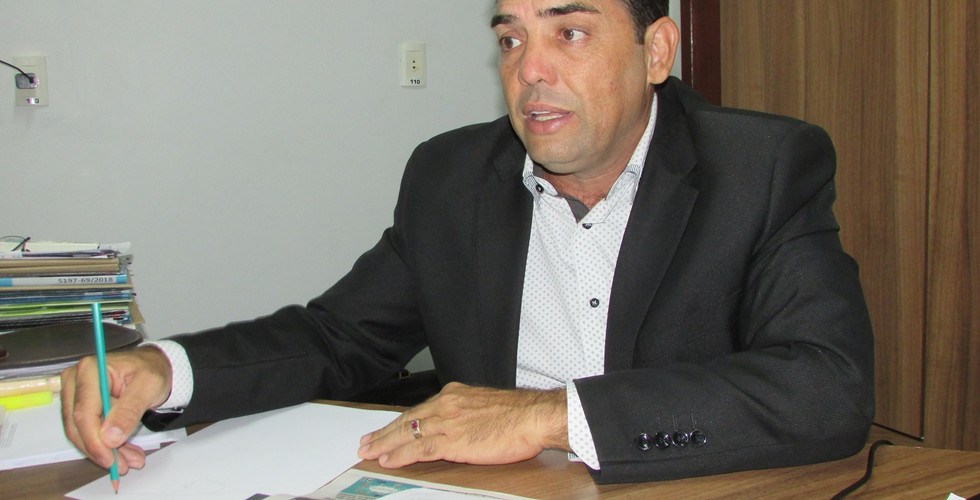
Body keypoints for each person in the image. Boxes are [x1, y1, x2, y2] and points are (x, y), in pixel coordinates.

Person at [61, 0, 875, 484]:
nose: (530, 70)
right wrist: (166, 369)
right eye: (511, 38)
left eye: (570, 33)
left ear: (656, 50)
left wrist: (549, 416)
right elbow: (339, 338)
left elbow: (827, 386)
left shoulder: (762, 167)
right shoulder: (451, 176)